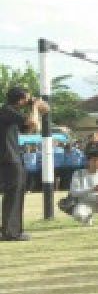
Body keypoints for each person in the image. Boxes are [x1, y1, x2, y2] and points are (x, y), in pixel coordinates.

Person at [1, 88, 48, 241]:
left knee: (17, 193)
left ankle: (13, 230)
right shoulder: (7, 110)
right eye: (27, 98)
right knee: (14, 195)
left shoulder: (12, 114)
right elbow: (32, 121)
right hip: (9, 159)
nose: (29, 100)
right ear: (20, 99)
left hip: (13, 158)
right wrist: (34, 107)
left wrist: (38, 111)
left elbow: (32, 128)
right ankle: (11, 232)